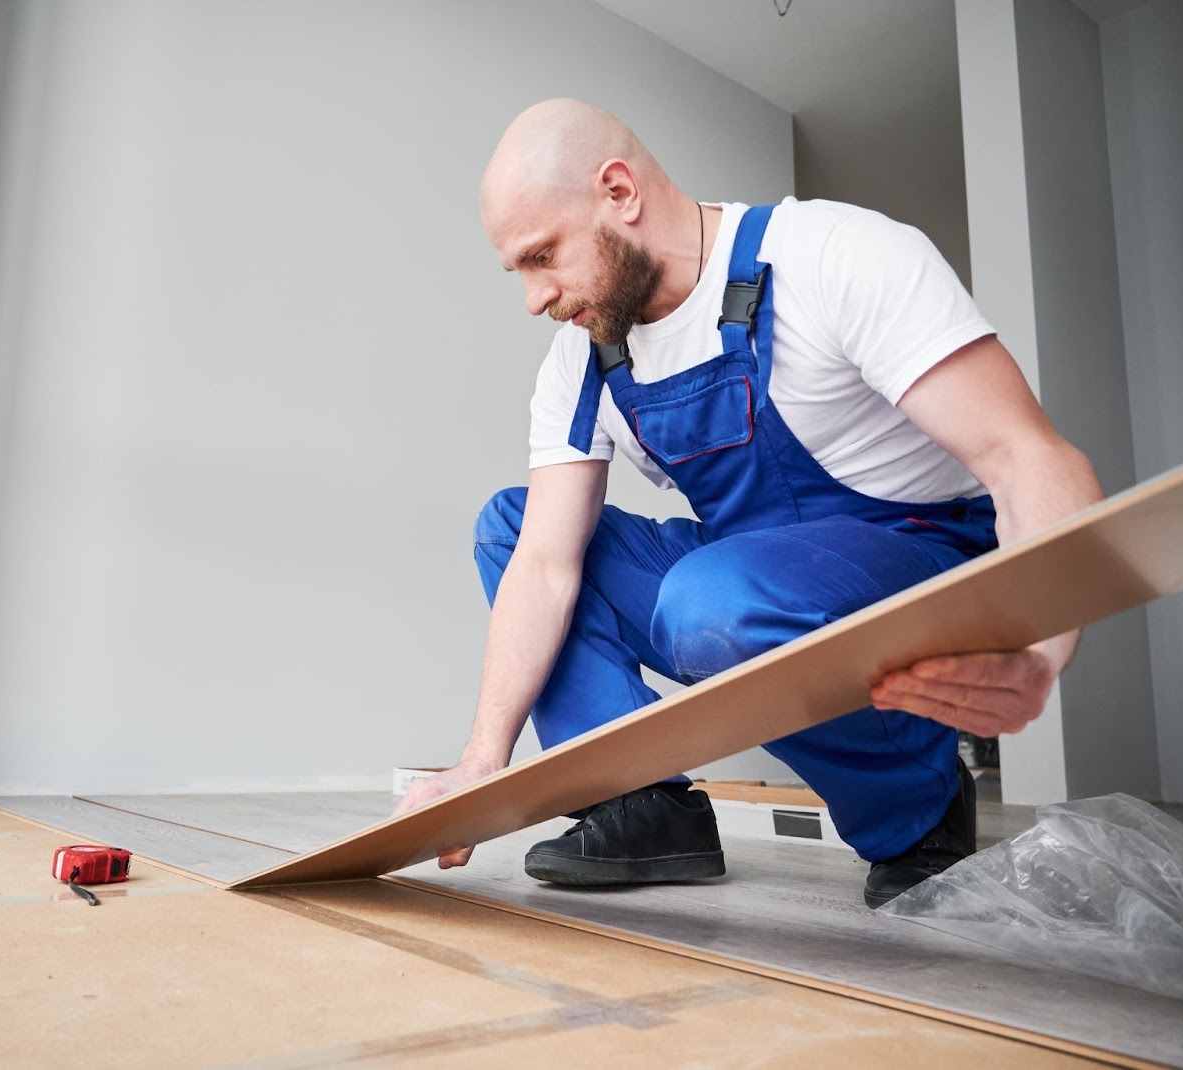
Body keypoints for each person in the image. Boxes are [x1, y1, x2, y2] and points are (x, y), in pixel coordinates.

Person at [394, 98, 1102, 907]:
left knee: (714, 602)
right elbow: (547, 564)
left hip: (915, 561)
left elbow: (1028, 456)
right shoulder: (583, 365)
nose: (533, 297)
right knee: (512, 527)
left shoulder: (835, 255)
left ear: (619, 191)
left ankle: (917, 808)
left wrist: (1039, 652)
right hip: (747, 575)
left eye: (543, 255)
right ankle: (641, 805)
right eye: (517, 270)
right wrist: (483, 764)